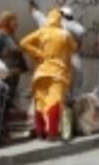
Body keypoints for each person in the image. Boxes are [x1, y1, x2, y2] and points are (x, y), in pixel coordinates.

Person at [19, 8, 76, 140]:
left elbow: (23, 43)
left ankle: (40, 132)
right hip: (58, 73)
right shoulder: (64, 34)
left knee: (40, 102)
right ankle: (52, 132)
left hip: (41, 72)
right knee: (54, 102)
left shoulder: (42, 32)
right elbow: (73, 47)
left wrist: (38, 53)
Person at [0, 11, 30, 137]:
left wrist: (22, 68)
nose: (16, 23)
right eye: (13, 20)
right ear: (6, 21)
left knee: (8, 104)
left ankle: (4, 130)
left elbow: (18, 55)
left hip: (13, 77)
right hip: (2, 78)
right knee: (0, 104)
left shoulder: (12, 38)